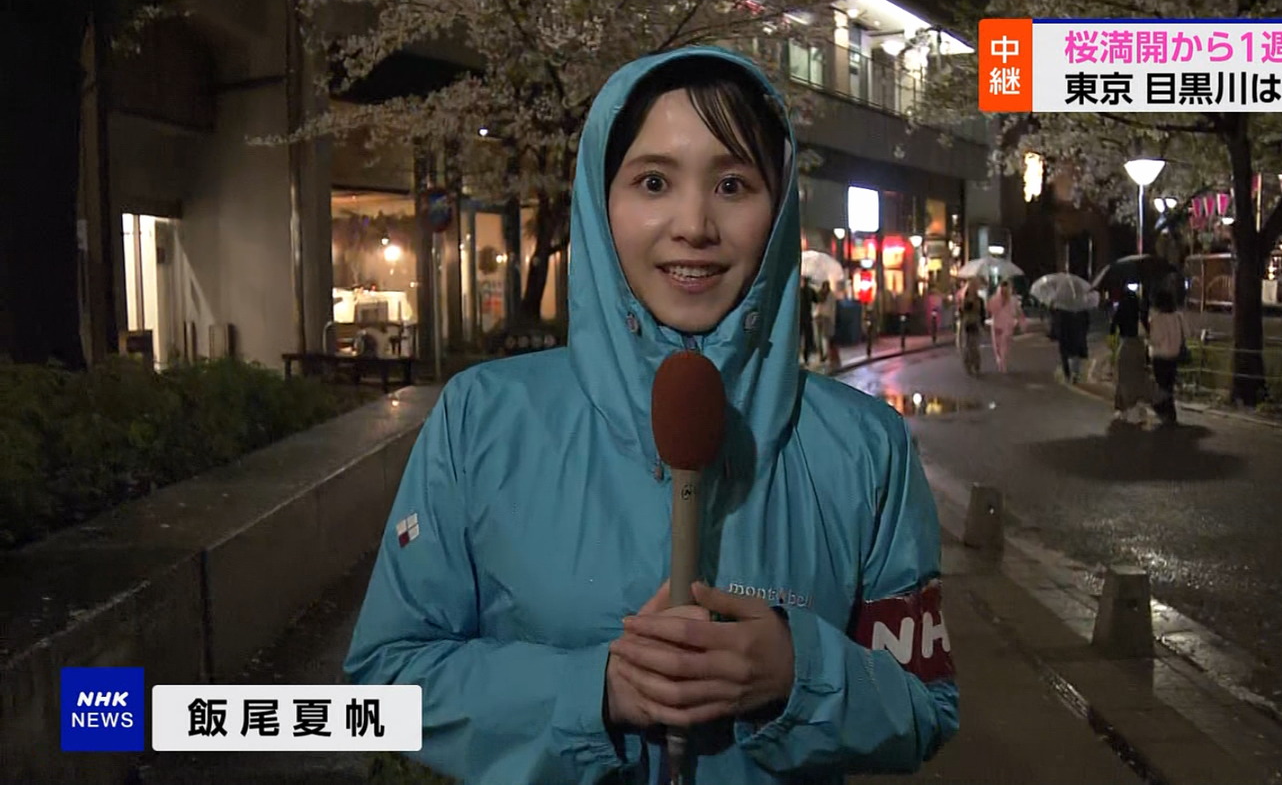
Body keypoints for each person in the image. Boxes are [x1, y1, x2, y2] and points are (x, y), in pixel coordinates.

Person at [343, 47, 957, 785]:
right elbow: (384, 686)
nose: (693, 225)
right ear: (600, 202)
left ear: (779, 206)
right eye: (654, 182)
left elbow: (925, 707)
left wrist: (800, 674)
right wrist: (591, 692)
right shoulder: (481, 419)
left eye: (732, 184)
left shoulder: (867, 447)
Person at [1146, 288, 1188, 425]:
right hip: (1174, 355)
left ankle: (1163, 411)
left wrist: (1148, 339)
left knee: (1161, 385)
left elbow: (1155, 339)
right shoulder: (1178, 317)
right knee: (1169, 385)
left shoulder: (1157, 319)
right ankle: (1170, 413)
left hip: (1160, 356)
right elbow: (1187, 333)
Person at [1110, 288, 1152, 422]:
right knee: (1139, 377)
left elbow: (1112, 329)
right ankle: (1140, 410)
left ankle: (1122, 409)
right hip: (1139, 347)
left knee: (1123, 378)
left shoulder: (1120, 312)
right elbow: (1148, 331)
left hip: (1125, 346)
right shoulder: (1140, 313)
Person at [986, 280, 1026, 373]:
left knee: (1005, 345)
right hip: (996, 325)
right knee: (997, 346)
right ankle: (1000, 360)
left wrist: (1022, 323)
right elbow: (989, 309)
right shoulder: (995, 299)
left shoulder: (1013, 301)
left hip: (1007, 326)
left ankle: (1003, 363)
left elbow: (1019, 313)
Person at [1050, 305, 1090, 383]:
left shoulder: (1061, 309)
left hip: (1067, 335)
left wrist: (1056, 334)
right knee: (1076, 353)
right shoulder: (1081, 307)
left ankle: (1069, 374)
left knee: (1067, 354)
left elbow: (1057, 323)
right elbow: (1087, 322)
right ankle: (1075, 373)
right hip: (1076, 334)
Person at [956, 280, 984, 376]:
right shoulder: (964, 299)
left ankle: (976, 365)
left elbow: (981, 313)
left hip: (975, 323)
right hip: (966, 324)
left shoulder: (979, 300)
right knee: (966, 347)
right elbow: (961, 311)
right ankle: (968, 366)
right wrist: (965, 304)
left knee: (974, 347)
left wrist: (982, 324)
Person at [813, 280, 838, 373]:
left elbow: (832, 308)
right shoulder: (824, 295)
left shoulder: (825, 295)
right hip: (821, 317)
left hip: (823, 317)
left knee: (823, 337)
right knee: (821, 337)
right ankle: (823, 355)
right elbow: (832, 308)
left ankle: (824, 355)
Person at [798, 279, 816, 365]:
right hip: (801, 318)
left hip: (805, 318)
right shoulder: (798, 291)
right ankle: (801, 357)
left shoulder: (808, 291)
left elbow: (817, 299)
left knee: (806, 339)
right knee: (800, 338)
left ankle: (805, 357)